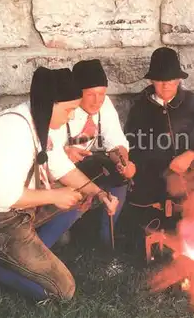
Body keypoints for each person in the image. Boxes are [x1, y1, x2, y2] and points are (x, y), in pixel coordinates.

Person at [0, 67, 118, 301]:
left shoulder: (41, 122)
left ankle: (26, 255)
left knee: (83, 195)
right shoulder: (11, 131)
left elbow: (62, 168)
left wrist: (99, 192)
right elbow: (2, 197)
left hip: (20, 212)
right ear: (49, 104)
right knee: (62, 291)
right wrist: (56, 196)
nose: (72, 116)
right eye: (69, 110)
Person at [119, 47, 194, 254]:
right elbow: (132, 144)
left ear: (178, 80)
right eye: (160, 80)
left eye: (171, 79)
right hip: (154, 177)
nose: (166, 84)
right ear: (151, 81)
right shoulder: (140, 109)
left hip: (191, 174)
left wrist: (192, 155)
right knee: (148, 220)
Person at [48, 59, 135, 247]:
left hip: (81, 164)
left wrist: (122, 161)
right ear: (77, 93)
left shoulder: (104, 105)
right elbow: (47, 152)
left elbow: (115, 141)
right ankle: (48, 239)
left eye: (101, 94)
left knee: (117, 174)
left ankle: (106, 237)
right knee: (64, 232)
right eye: (90, 94)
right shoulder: (62, 107)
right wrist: (64, 152)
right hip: (53, 171)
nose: (97, 101)